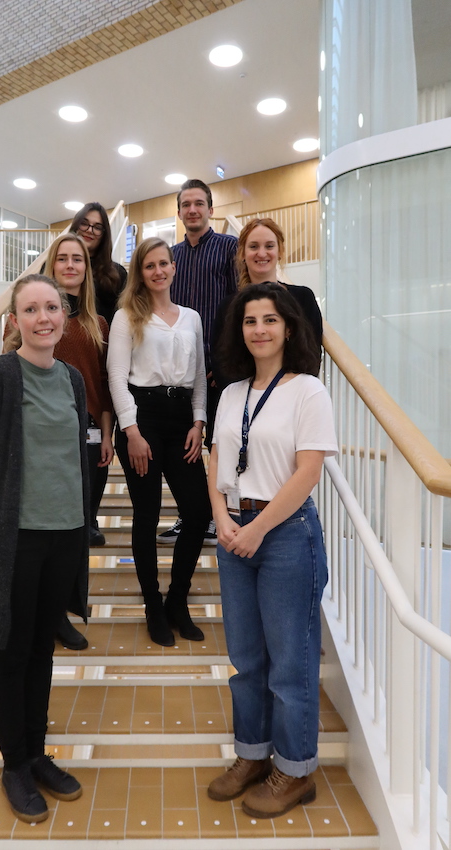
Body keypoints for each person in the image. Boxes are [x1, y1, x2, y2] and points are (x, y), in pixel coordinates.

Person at [0, 274, 89, 824]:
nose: (43, 318)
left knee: (43, 649)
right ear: (15, 321)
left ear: (64, 315)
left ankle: (37, 752)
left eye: (51, 307)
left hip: (63, 536)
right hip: (16, 540)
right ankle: (14, 763)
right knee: (13, 651)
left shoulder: (74, 380)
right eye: (30, 309)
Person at [207, 283, 337, 818]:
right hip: (234, 530)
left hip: (284, 534)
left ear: (288, 328)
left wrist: (257, 527)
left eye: (269, 320)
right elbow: (215, 463)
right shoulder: (232, 391)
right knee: (246, 660)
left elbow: (308, 471)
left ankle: (295, 769)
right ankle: (253, 755)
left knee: (290, 662)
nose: (258, 329)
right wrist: (222, 520)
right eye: (250, 320)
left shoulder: (308, 390)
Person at [107, 237, 212, 646]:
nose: (158, 271)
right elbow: (117, 376)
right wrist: (130, 431)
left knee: (199, 511)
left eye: (164, 263)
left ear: (173, 267)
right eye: (149, 266)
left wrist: (199, 422)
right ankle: (153, 604)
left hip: (182, 418)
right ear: (141, 272)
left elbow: (200, 376)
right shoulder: (125, 316)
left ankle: (177, 601)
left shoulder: (191, 317)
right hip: (142, 419)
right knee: (147, 514)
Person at [43, 232, 114, 650]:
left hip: (88, 434)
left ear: (87, 270)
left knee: (79, 530)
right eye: (63, 259)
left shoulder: (98, 323)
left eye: (78, 260)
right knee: (52, 531)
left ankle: (66, 613)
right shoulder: (39, 314)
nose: (70, 265)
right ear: (52, 266)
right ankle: (48, 613)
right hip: (47, 434)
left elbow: (102, 386)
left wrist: (107, 435)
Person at [158, 178, 238, 544]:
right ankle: (191, 515)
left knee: (217, 446)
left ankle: (220, 517)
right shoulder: (169, 258)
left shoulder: (229, 248)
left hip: (217, 371)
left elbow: (239, 309)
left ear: (210, 209)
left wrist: (224, 363)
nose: (192, 210)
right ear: (178, 212)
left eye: (199, 203)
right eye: (186, 204)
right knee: (181, 450)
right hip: (178, 373)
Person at [212, 217, 322, 389]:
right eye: (254, 246)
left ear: (280, 252)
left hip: (292, 396)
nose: (262, 253)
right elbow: (222, 362)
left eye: (269, 246)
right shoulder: (227, 307)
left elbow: (311, 355)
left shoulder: (303, 298)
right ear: (242, 253)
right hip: (244, 400)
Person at [69, 202, 127, 326]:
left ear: (104, 234)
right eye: (84, 224)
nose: (89, 230)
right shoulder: (56, 266)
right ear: (76, 226)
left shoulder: (118, 273)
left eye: (97, 227)